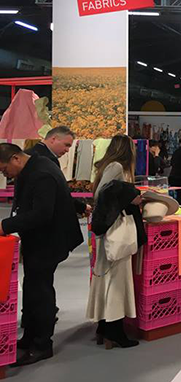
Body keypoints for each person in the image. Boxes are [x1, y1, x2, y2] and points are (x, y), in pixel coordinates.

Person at [0, 143, 83, 366]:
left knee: (41, 292)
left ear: (16, 158)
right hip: (39, 239)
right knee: (32, 288)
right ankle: (29, 337)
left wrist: (4, 226)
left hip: (50, 241)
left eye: (5, 169)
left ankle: (42, 344)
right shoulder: (33, 167)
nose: (5, 175)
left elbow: (42, 214)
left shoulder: (41, 174)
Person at [87, 135, 141, 349]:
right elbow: (104, 195)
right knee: (116, 280)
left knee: (108, 277)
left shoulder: (108, 166)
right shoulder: (117, 167)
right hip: (115, 230)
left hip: (108, 230)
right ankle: (114, 331)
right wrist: (130, 196)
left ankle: (105, 327)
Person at [26, 126, 89, 216]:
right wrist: (81, 207)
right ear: (53, 139)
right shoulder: (48, 159)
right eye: (66, 145)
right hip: (40, 214)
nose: (67, 150)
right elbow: (58, 192)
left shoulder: (28, 153)